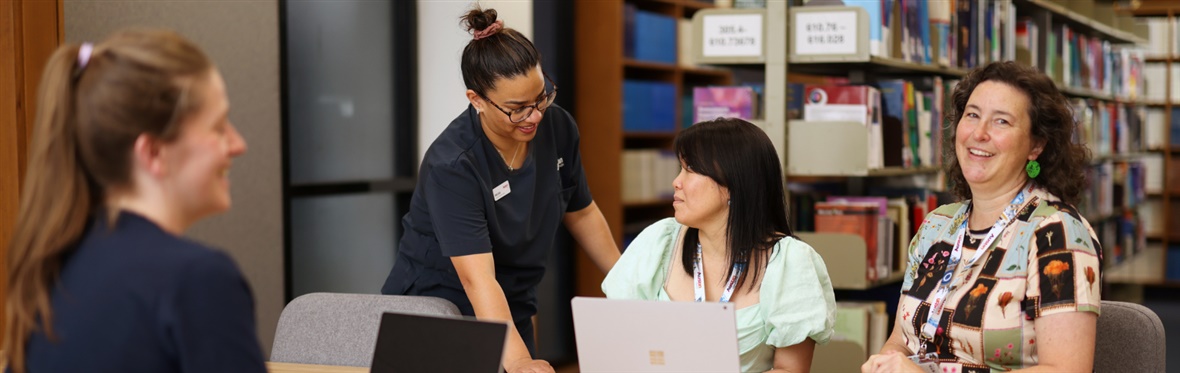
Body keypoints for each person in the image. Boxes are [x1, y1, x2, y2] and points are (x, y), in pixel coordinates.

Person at [3, 29, 263, 373]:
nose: (238, 144)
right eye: (218, 128)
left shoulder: (49, 271)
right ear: (153, 152)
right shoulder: (198, 280)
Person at [379, 6, 619, 373]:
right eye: (517, 108)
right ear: (476, 100)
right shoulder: (454, 164)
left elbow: (581, 211)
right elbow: (477, 279)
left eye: (541, 96)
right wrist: (520, 362)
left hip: (511, 303)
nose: (535, 115)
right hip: (439, 308)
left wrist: (630, 290)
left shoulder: (557, 127)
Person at [862, 61, 1102, 373]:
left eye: (1001, 121)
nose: (979, 133)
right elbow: (902, 341)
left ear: (1036, 145)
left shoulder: (1058, 234)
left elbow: (1066, 370)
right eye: (972, 115)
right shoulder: (936, 225)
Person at [602, 118, 836, 373]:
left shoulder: (789, 260)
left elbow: (790, 370)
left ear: (734, 184)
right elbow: (618, 345)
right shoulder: (659, 240)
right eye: (679, 169)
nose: (676, 182)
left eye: (690, 169)